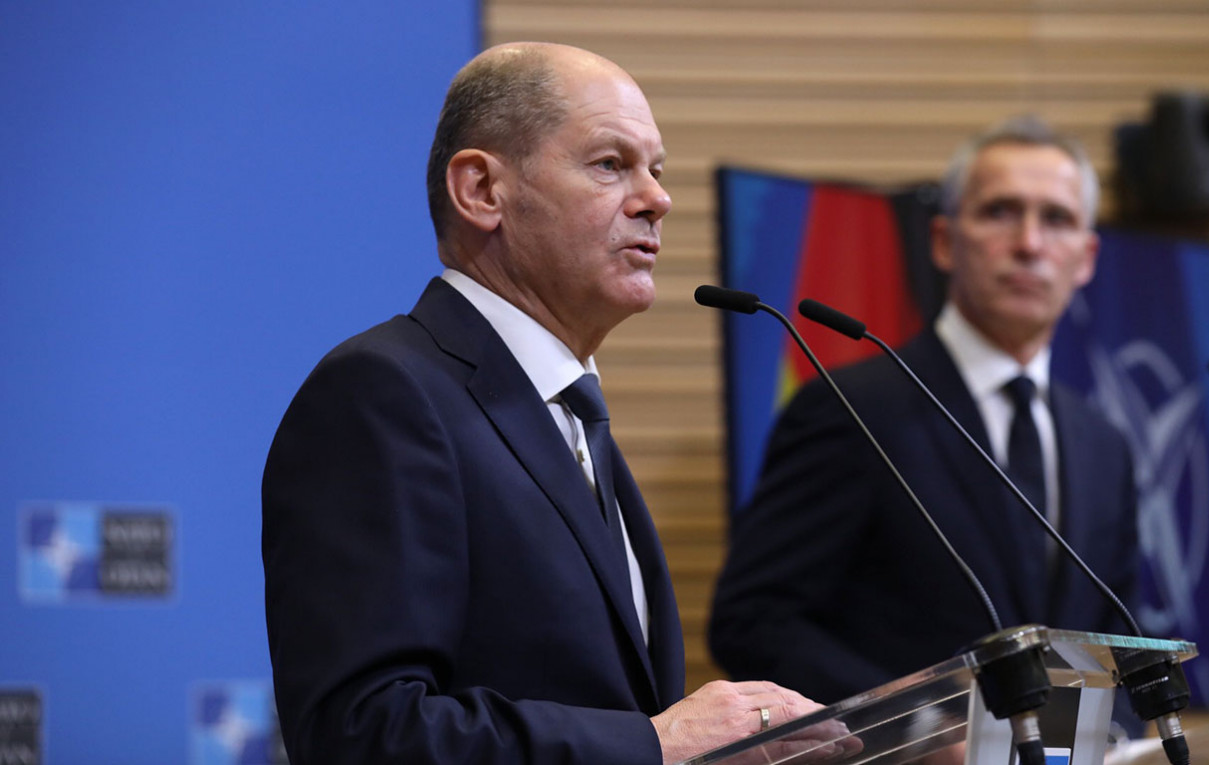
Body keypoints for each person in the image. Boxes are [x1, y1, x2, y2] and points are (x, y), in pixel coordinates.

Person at [261, 42, 824, 764]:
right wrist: (655, 743)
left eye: (656, 170)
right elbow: (362, 731)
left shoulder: (569, 412)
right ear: (481, 191)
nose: (657, 199)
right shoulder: (383, 395)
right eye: (610, 164)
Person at [708, 116, 1143, 737]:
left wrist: (1113, 737)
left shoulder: (1103, 444)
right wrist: (921, 729)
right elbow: (754, 622)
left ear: (1087, 258)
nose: (1029, 243)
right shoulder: (852, 408)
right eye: (1000, 212)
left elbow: (1118, 638)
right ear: (943, 241)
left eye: (1056, 219)